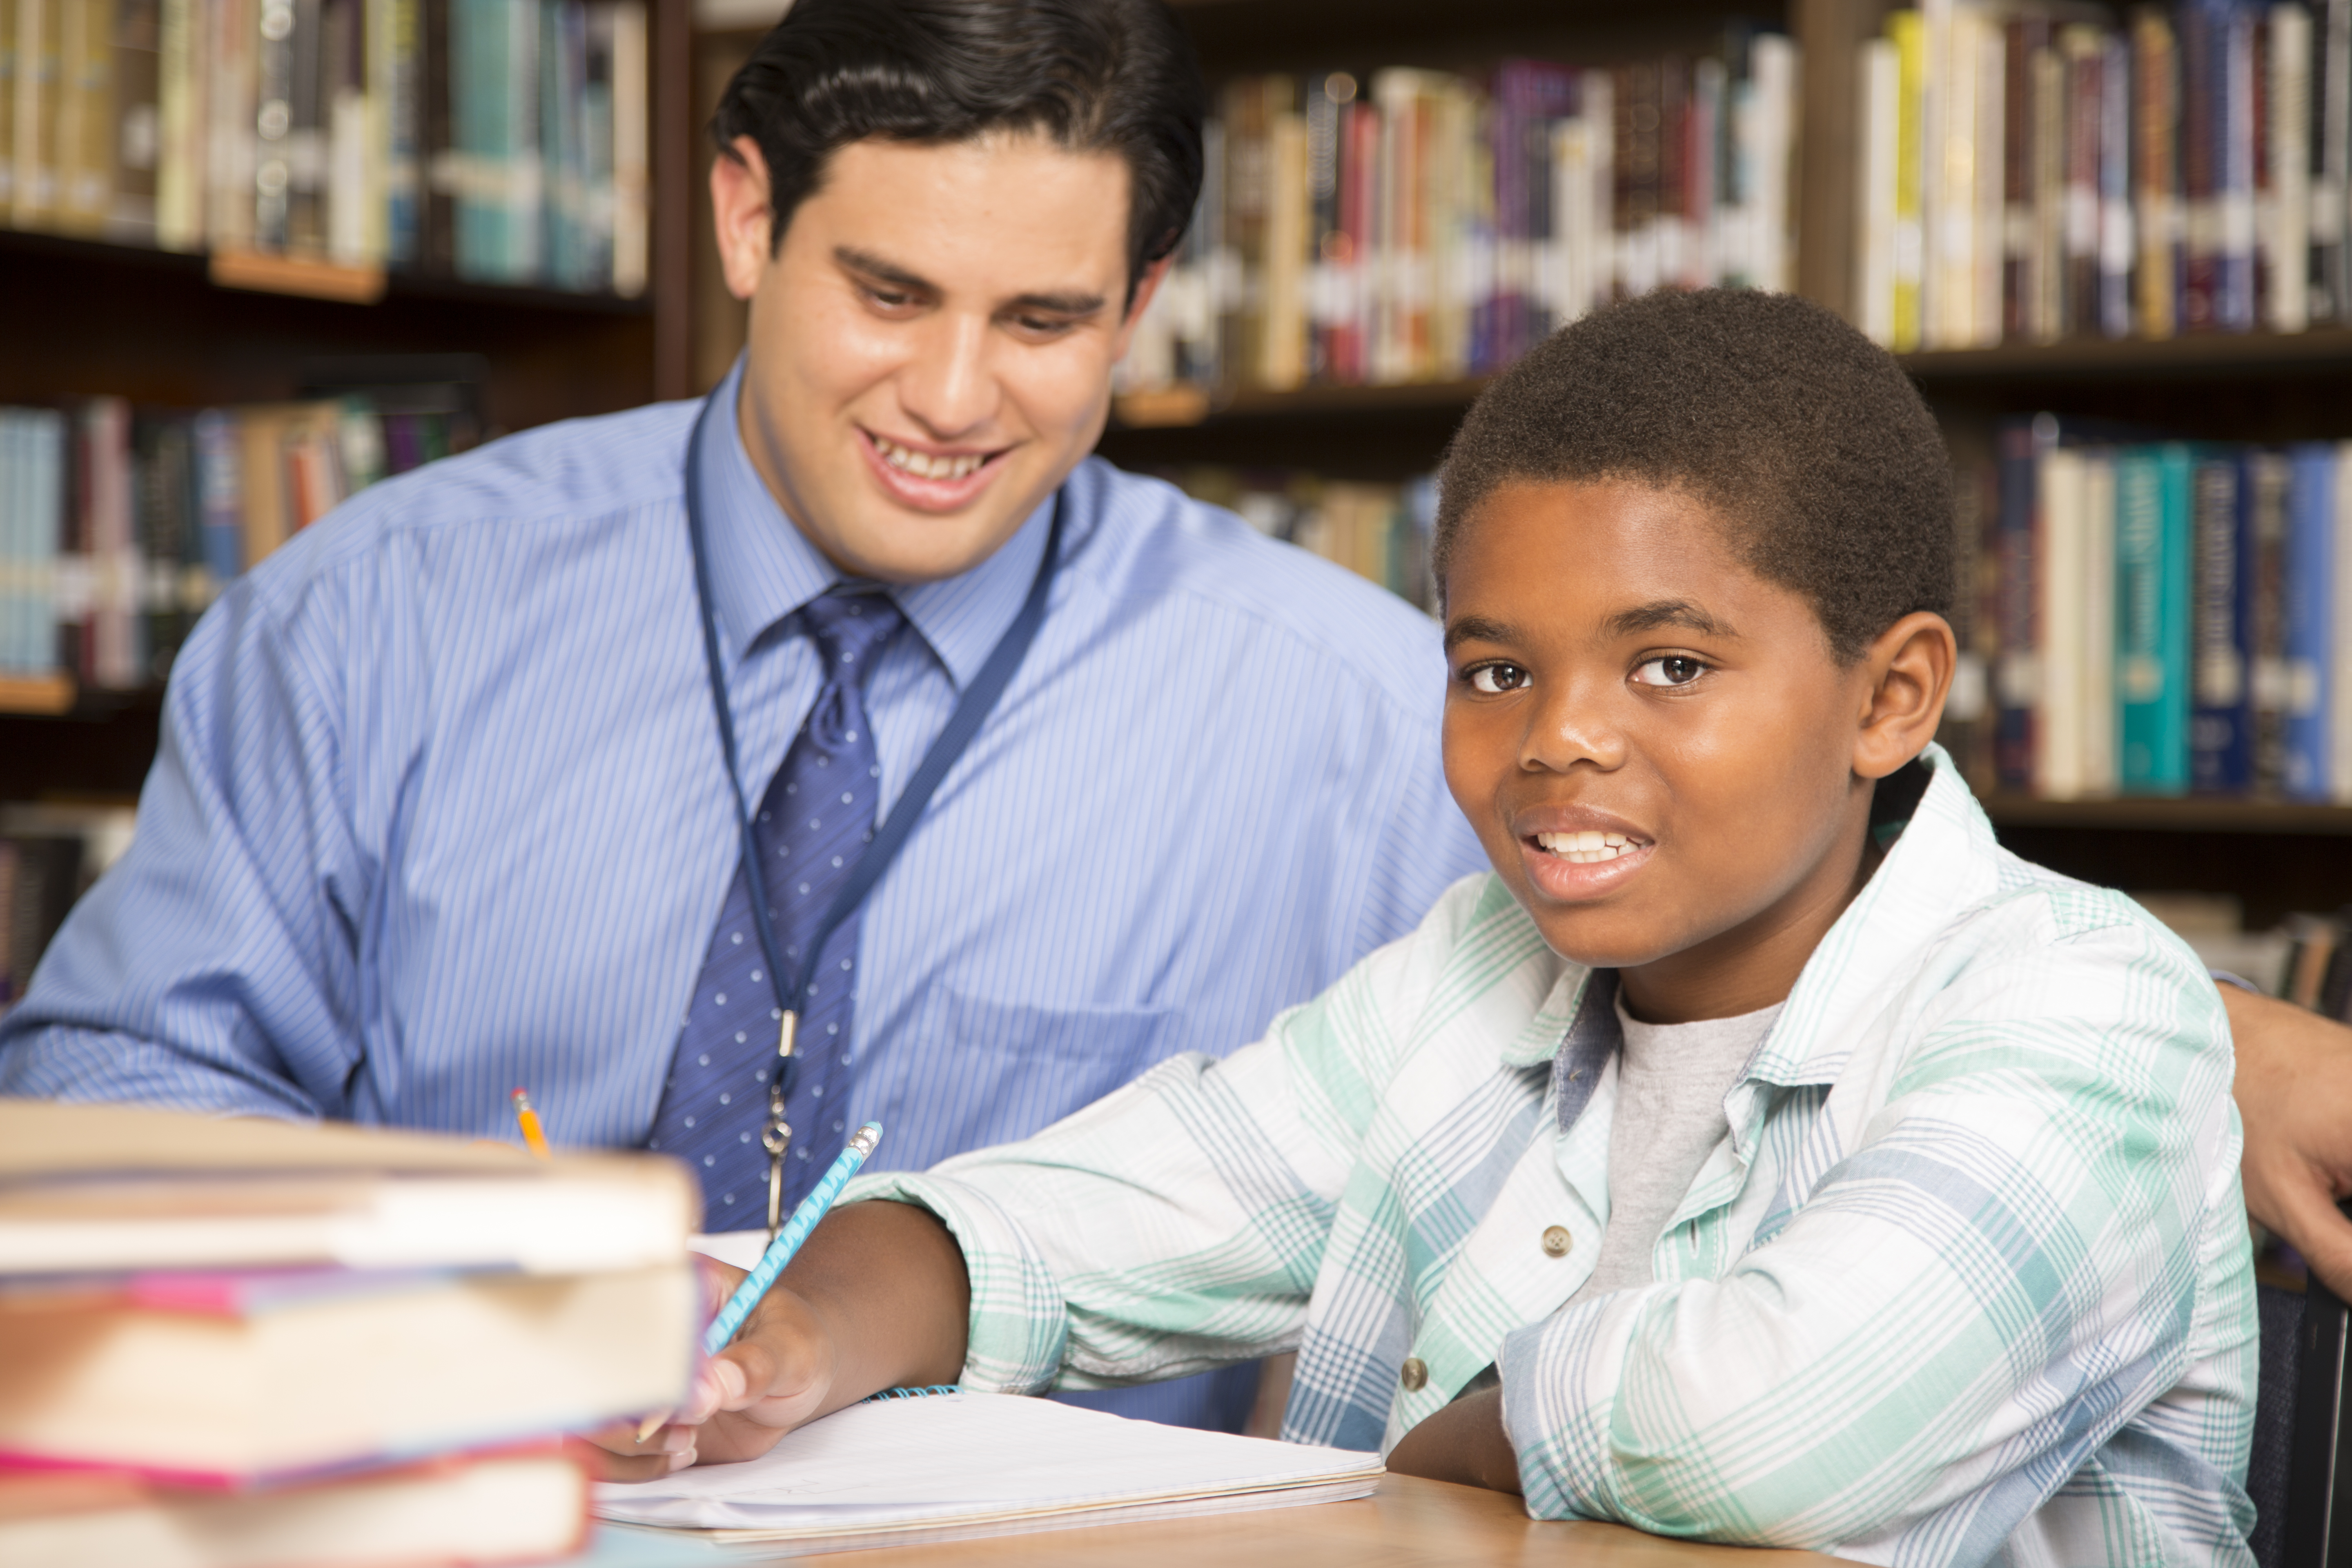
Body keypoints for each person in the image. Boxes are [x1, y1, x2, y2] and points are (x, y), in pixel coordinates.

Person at [0, 0, 1482, 1434]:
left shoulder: (1364, 722)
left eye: (1043, 319)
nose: (952, 398)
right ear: (745, 219)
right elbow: (115, 1092)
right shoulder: (374, 614)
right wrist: (419, 1314)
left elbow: (1491, 1226)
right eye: (890, 295)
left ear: (1142, 305)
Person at [626, 291, 2258, 1567]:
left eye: (1671, 668)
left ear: (1888, 697)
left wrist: (1471, 1431)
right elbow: (1056, 1231)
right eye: (1496, 669)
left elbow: (1781, 1431)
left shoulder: (2092, 1005)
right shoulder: (1471, 981)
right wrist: (791, 1328)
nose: (1559, 738)